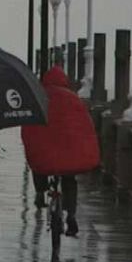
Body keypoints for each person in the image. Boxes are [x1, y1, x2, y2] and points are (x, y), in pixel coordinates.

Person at [22, 65, 100, 238]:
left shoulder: (39, 97)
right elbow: (85, 126)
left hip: (47, 150)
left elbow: (29, 125)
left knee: (39, 164)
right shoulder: (74, 98)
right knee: (69, 178)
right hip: (68, 150)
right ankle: (71, 214)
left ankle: (40, 193)